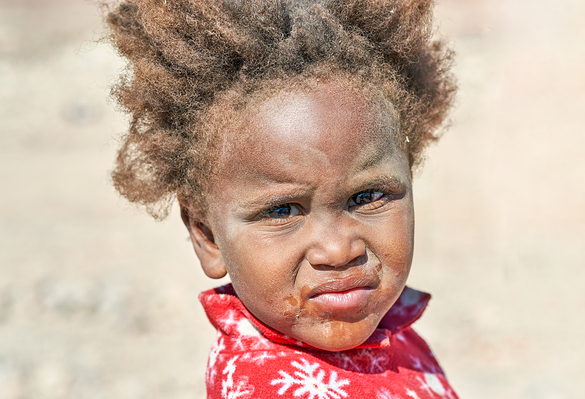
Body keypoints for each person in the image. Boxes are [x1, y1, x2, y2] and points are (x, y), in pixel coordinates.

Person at [105, 0, 457, 397]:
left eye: (368, 196)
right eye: (282, 210)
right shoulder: (271, 387)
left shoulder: (391, 331)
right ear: (206, 236)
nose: (339, 250)